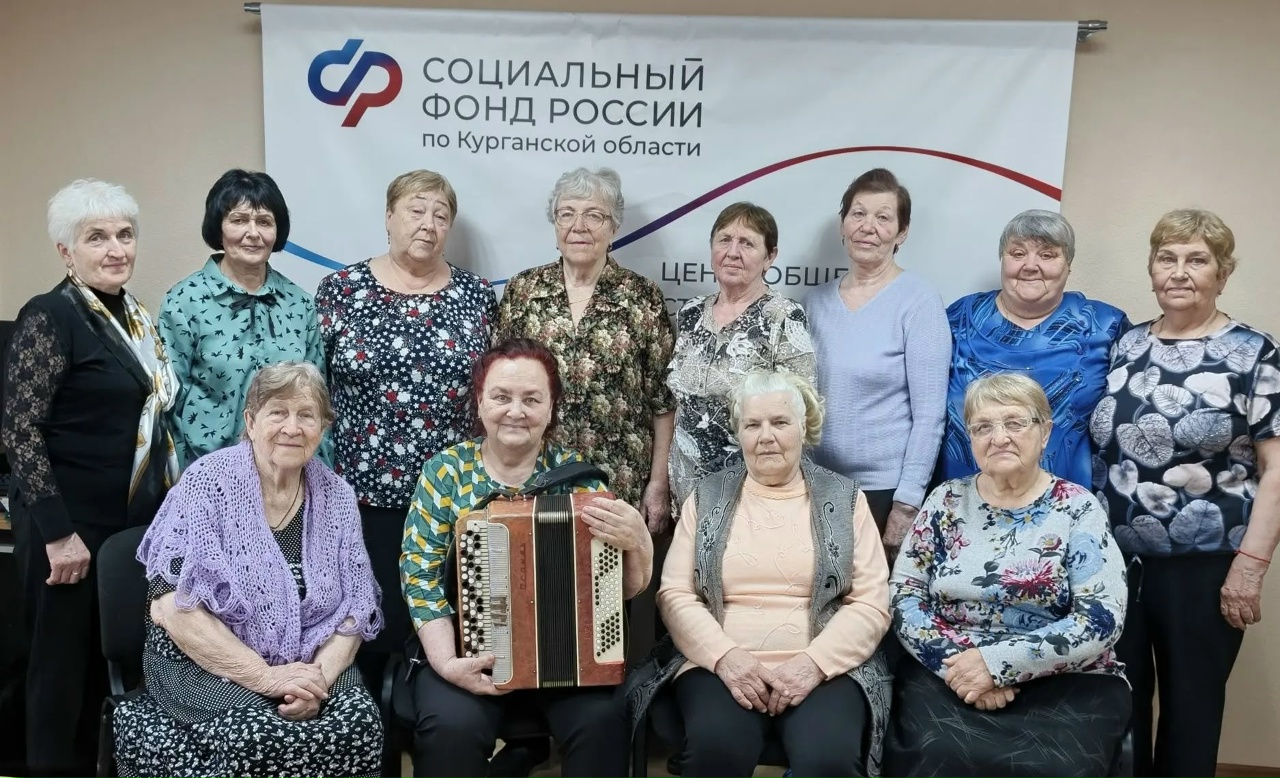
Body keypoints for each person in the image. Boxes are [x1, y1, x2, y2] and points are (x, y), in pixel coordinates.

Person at [113, 361, 383, 777]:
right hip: (202, 661)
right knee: (260, 737)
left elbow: (355, 611)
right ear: (251, 421)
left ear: (323, 428)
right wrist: (266, 678)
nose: (292, 427)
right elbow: (170, 608)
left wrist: (317, 681)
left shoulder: (338, 497)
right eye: (278, 412)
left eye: (306, 415)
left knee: (360, 726)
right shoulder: (206, 483)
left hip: (309, 657)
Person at [402, 338, 652, 778]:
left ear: (551, 409)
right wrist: (448, 664)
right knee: (450, 726)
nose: (515, 411)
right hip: (466, 651)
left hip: (568, 662)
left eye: (532, 399)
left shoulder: (581, 480)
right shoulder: (446, 472)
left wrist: (639, 542)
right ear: (480, 402)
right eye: (501, 397)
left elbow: (622, 589)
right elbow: (420, 578)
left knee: (602, 722)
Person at [1091, 209, 1280, 778]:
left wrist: (1251, 566)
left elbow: (1277, 469)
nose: (1179, 272)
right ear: (1151, 269)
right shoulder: (1126, 345)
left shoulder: (1254, 352)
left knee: (1190, 713)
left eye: (1197, 260)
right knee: (1116, 708)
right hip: (1115, 564)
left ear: (1223, 273)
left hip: (1206, 564)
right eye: (1166, 258)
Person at [1, 179, 180, 777]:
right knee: (58, 672)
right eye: (96, 237)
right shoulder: (51, 315)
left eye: (125, 235)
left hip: (123, 526)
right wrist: (58, 535)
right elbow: (19, 430)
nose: (116, 249)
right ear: (65, 251)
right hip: (66, 525)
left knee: (107, 671)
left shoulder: (133, 317)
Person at [633, 371, 891, 778]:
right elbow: (676, 594)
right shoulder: (707, 497)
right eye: (752, 425)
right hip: (719, 666)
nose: (765, 436)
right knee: (715, 750)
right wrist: (726, 657)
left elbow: (870, 602)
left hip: (824, 667)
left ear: (804, 427)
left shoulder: (845, 499)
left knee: (829, 762)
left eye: (780, 422)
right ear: (739, 434)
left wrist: (813, 663)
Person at [886, 373, 1129, 778]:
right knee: (936, 754)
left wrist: (998, 663)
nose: (999, 438)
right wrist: (961, 666)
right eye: (983, 427)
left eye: (1015, 423)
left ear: (1044, 432)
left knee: (1057, 768)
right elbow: (905, 595)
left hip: (1063, 675)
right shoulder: (946, 500)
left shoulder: (1077, 508)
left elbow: (1101, 618)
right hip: (952, 671)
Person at [315, 169, 497, 680]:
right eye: (416, 210)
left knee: (451, 628)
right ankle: (373, 720)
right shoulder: (341, 290)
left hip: (454, 496)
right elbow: (314, 388)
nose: (428, 224)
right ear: (389, 217)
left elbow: (493, 389)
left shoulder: (477, 294)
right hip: (362, 494)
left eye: (441, 215)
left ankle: (439, 715)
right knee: (368, 625)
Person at [496, 167, 675, 532]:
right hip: (535, 477)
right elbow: (497, 388)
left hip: (618, 481)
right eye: (567, 214)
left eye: (594, 215)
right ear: (555, 224)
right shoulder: (523, 291)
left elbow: (663, 401)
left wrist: (658, 484)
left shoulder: (642, 296)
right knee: (537, 566)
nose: (579, 226)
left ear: (614, 228)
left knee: (611, 570)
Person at [805, 168, 950, 557]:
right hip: (814, 486)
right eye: (858, 214)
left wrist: (907, 504)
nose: (868, 227)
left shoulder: (919, 301)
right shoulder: (814, 302)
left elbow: (930, 416)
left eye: (883, 217)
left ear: (901, 233)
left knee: (871, 596)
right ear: (843, 224)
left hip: (883, 494)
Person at [938, 209, 1128, 486]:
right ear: (1002, 260)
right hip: (962, 495)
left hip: (1065, 500)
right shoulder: (958, 318)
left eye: (1047, 255)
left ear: (1068, 265)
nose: (1030, 265)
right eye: (1018, 253)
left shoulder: (1105, 325)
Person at [159, 169, 326, 467]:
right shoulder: (185, 301)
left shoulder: (300, 304)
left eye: (264, 222)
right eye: (238, 220)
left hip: (287, 471)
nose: (253, 233)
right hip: (208, 471)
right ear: (218, 226)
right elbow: (169, 403)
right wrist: (184, 476)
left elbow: (317, 399)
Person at [665, 202, 816, 518]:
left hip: (752, 498)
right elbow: (674, 403)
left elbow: (800, 414)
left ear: (769, 257)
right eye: (724, 240)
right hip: (686, 498)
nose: (733, 252)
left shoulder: (784, 317)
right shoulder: (690, 313)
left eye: (747, 243)